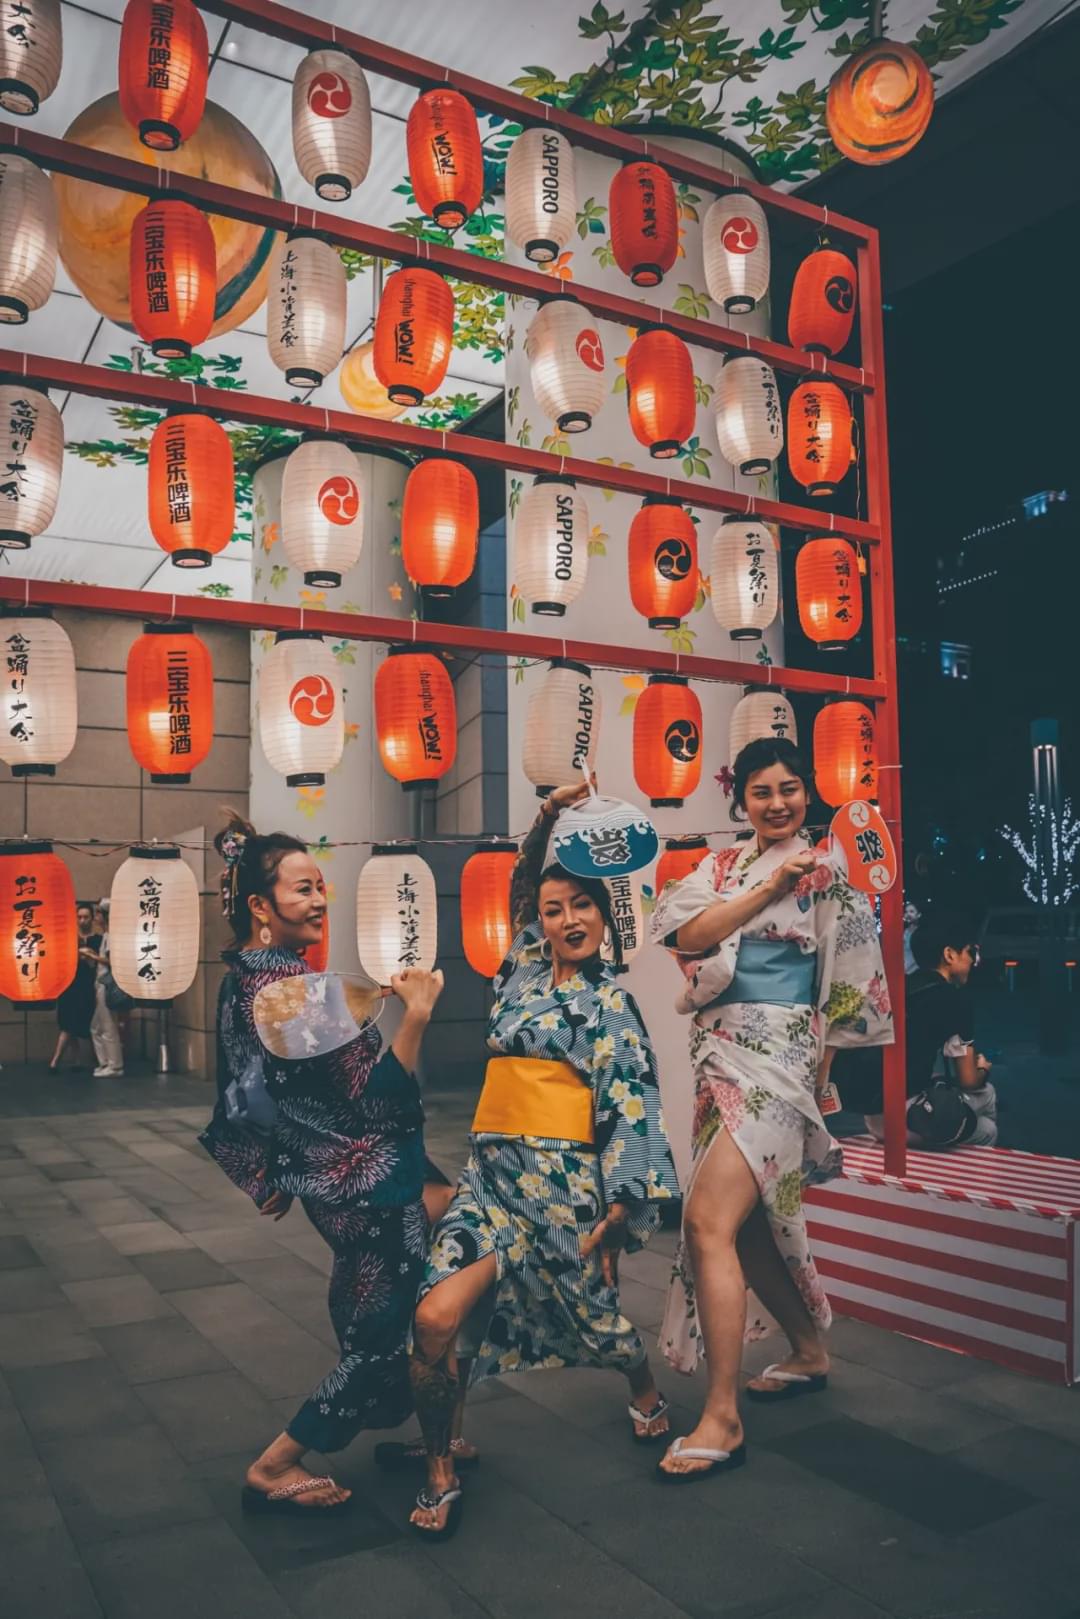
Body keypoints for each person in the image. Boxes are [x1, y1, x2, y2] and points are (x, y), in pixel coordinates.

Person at [407, 782, 680, 1539]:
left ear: (604, 914)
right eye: (555, 910)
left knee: (599, 1321)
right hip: (490, 1179)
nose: (566, 919)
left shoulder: (612, 1005)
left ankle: (644, 1387)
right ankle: (440, 1464)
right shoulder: (522, 971)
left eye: (581, 906)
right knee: (436, 1316)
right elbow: (527, 882)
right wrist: (547, 818)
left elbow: (633, 1102)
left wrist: (624, 1203)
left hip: (566, 1190)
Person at [649, 737, 893, 1482]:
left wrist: (821, 1072)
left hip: (782, 1063)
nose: (778, 801)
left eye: (790, 788)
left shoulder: (832, 876)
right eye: (762, 791)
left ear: (805, 797)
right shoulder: (720, 869)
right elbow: (684, 933)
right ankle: (809, 1349)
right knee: (750, 1230)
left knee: (705, 1222)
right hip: (719, 1056)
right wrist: (763, 889)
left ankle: (721, 1416)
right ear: (743, 802)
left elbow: (853, 987)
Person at [198, 811, 444, 1514]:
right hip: (368, 1179)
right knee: (380, 1329)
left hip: (324, 1177)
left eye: (319, 887)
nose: (318, 900)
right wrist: (419, 1012)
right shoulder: (296, 992)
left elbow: (240, 1094)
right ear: (259, 905)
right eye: (303, 889)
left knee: (384, 1303)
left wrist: (267, 1172)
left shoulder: (244, 980)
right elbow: (381, 1100)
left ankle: (435, 1431)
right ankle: (277, 1462)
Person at [837, 911, 997, 1148]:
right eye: (971, 952)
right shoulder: (955, 1001)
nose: (974, 960)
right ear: (949, 955)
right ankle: (968, 1177)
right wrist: (983, 1069)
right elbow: (968, 1080)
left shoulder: (896, 987)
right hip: (909, 1116)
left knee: (963, 1112)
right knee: (987, 1118)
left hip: (871, 1112)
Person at [50, 901, 98, 1071]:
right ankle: (74, 1060)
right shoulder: (71, 939)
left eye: (86, 917)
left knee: (82, 1024)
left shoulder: (97, 940)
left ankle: (57, 1061)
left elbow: (100, 966)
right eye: (79, 917)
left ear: (92, 919)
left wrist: (90, 958)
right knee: (68, 1023)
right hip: (69, 986)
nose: (82, 920)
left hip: (87, 987)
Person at [87, 901, 124, 1078]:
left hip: (106, 984)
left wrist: (92, 956)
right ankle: (105, 1062)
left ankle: (115, 1065)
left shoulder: (111, 936)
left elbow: (113, 962)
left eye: (98, 914)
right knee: (96, 1027)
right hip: (100, 983)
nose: (96, 918)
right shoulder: (107, 935)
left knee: (108, 1025)